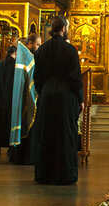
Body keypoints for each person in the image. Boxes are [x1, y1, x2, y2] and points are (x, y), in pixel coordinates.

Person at [32, 16, 84, 186]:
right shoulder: (70, 50)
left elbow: (37, 77)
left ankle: (44, 174)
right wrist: (80, 99)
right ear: (63, 29)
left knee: (46, 134)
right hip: (66, 96)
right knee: (65, 134)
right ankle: (65, 174)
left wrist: (44, 92)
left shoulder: (42, 50)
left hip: (46, 95)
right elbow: (75, 78)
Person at [7, 33, 41, 166]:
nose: (38, 47)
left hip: (26, 96)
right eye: (37, 44)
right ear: (30, 43)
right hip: (27, 96)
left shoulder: (27, 57)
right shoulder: (26, 57)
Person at [0, 46, 17, 156]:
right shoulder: (16, 66)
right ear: (15, 53)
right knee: (10, 123)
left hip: (0, 99)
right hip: (11, 100)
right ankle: (11, 147)